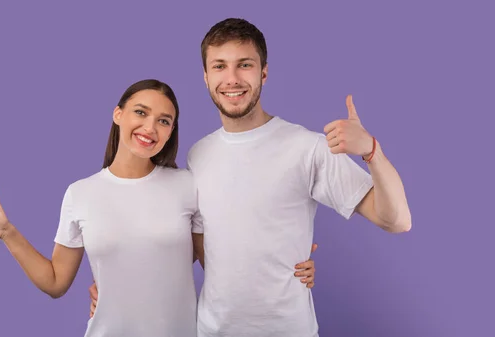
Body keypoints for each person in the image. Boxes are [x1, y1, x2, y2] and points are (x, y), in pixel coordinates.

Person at [87, 18, 412, 337]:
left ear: (264, 73)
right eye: (219, 66)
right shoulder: (198, 155)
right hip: (213, 331)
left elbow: (396, 220)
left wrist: (371, 151)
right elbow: (196, 249)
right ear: (205, 76)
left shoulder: (307, 147)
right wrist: (118, 289)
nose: (231, 78)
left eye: (244, 65)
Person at [0, 79, 314, 337]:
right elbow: (55, 282)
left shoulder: (186, 185)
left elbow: (221, 262)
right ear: (118, 114)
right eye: (141, 112)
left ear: (170, 132)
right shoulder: (80, 194)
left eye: (165, 121)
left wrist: (286, 259)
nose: (150, 127)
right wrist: (8, 234)